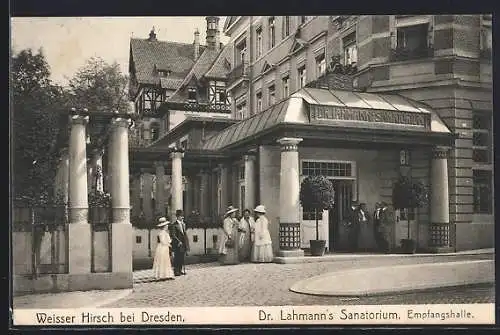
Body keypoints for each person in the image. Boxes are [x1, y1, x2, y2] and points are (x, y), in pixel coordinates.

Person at [169, 209, 190, 276]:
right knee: (177, 258)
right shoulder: (174, 225)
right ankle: (176, 271)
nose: (182, 217)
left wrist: (185, 242)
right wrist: (178, 241)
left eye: (182, 216)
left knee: (182, 257)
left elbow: (184, 233)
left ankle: (180, 270)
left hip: (183, 243)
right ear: (178, 217)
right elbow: (173, 235)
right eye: (181, 216)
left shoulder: (183, 224)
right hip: (177, 244)